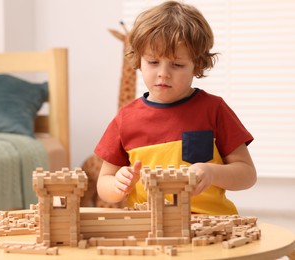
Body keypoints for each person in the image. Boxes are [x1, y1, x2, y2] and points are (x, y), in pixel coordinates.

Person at [94, 0, 257, 215]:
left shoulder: (214, 109)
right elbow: (103, 182)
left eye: (177, 65)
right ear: (139, 60)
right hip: (149, 227)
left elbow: (247, 174)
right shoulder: (126, 118)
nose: (163, 73)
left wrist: (212, 172)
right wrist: (118, 184)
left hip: (209, 225)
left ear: (197, 65)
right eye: (153, 62)